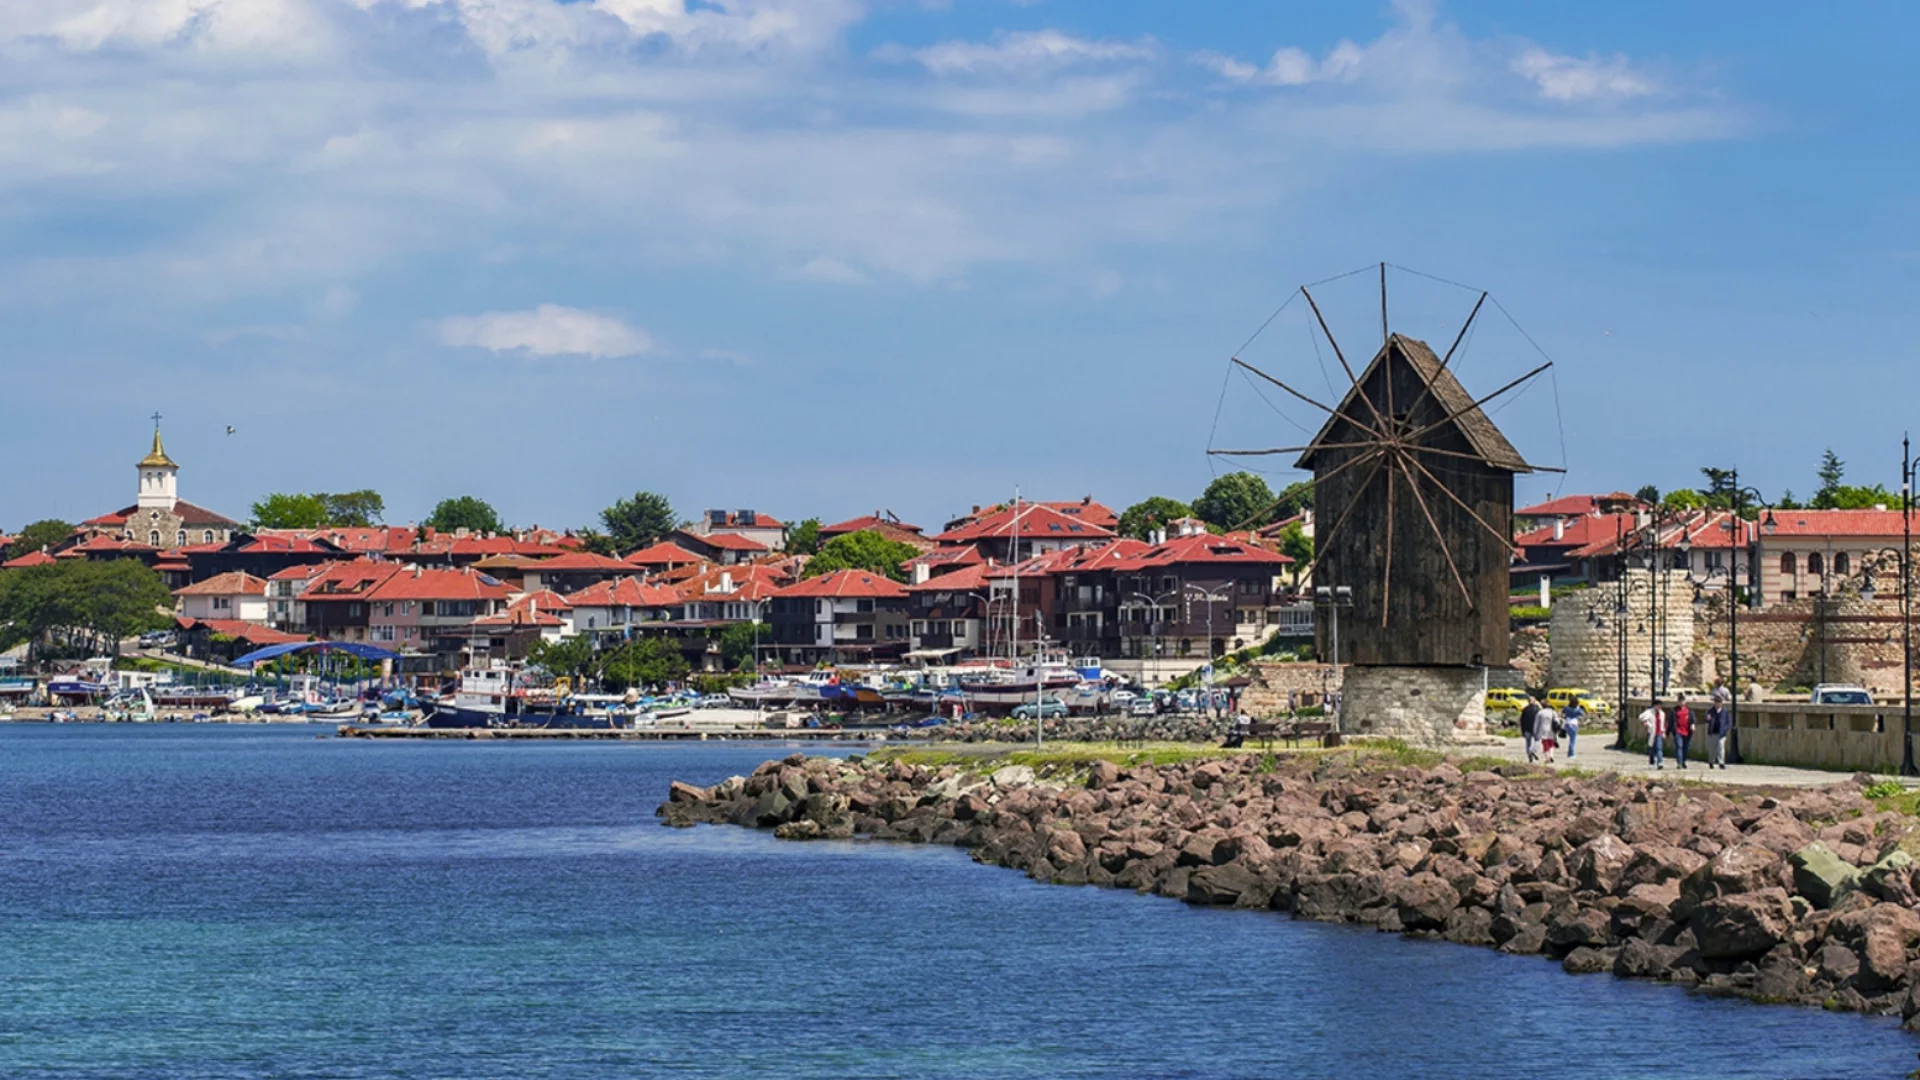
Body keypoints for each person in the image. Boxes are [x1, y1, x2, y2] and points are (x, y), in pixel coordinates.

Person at [1641, 699, 1667, 769]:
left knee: (1659, 748)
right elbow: (1641, 717)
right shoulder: (1649, 712)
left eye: (1660, 706)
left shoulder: (1662, 713)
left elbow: (1663, 724)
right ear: (1654, 706)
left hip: (1659, 732)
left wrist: (1664, 732)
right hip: (1651, 732)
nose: (1659, 707)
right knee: (1651, 749)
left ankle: (1660, 763)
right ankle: (1652, 762)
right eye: (1658, 706)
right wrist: (1645, 722)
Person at [1706, 700, 1731, 769]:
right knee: (1712, 748)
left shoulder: (1724, 711)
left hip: (1721, 733)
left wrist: (1725, 729)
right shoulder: (1711, 711)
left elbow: (1728, 722)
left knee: (1721, 747)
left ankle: (1721, 762)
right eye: (1716, 703)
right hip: (1713, 732)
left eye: (1719, 703)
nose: (1718, 704)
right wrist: (1708, 719)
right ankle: (1711, 761)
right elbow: (1706, 719)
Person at [1672, 694, 1693, 769]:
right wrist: (1668, 732)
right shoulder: (1674, 710)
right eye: (1679, 701)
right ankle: (1679, 763)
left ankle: (1684, 761)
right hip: (1678, 731)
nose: (1681, 702)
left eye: (1682, 701)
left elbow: (1692, 719)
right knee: (1679, 746)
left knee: (1686, 748)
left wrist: (1692, 724)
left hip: (1687, 731)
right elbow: (1671, 721)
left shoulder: (1688, 710)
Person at [1520, 695, 1542, 763]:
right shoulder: (1537, 709)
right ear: (1535, 701)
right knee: (1537, 741)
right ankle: (1533, 751)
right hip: (1535, 729)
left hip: (1526, 729)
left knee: (1528, 743)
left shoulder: (1524, 709)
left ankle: (1530, 757)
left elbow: (1522, 720)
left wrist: (1522, 730)